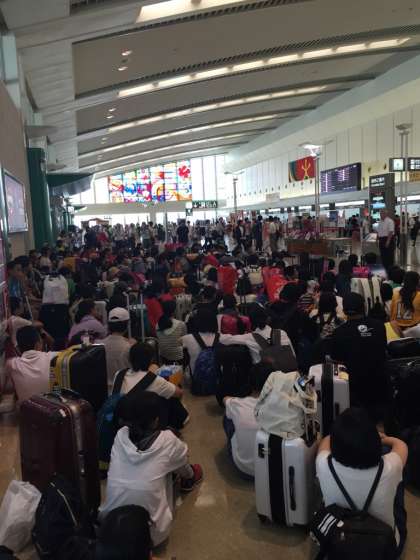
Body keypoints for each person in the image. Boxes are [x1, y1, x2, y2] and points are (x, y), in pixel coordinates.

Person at [99, 392, 203, 546]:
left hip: (111, 528)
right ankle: (190, 479)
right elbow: (183, 460)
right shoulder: (168, 440)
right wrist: (190, 475)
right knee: (171, 466)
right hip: (151, 536)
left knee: (159, 467)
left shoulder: (120, 436)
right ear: (155, 422)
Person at [316, 408, 407, 556]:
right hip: (383, 549)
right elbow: (401, 445)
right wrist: (384, 438)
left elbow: (326, 441)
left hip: (338, 543)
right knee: (398, 479)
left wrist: (338, 435)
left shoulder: (323, 464)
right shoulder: (390, 468)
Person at [329, 293, 390, 420]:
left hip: (354, 389)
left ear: (344, 310)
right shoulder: (379, 326)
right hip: (380, 384)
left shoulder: (339, 332)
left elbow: (336, 361)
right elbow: (383, 349)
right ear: (364, 307)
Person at [223, 365, 273, 479]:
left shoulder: (238, 404)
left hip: (244, 469)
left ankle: (238, 444)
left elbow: (224, 399)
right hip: (274, 471)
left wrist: (235, 399)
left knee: (227, 415)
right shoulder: (284, 405)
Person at [6, 326, 58, 405]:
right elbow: (53, 342)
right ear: (37, 344)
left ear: (18, 348)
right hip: (54, 409)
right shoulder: (55, 357)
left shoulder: (11, 364)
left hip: (27, 411)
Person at [116, 341, 182, 400]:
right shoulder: (156, 380)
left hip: (120, 410)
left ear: (130, 358)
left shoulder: (119, 374)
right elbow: (179, 393)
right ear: (151, 359)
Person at [101, 308, 135, 392]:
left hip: (104, 391)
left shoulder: (99, 345)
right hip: (126, 390)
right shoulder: (130, 346)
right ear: (127, 325)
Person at [390, 271, 420, 336]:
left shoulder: (395, 294)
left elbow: (391, 315)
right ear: (417, 282)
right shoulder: (418, 296)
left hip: (396, 330)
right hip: (415, 331)